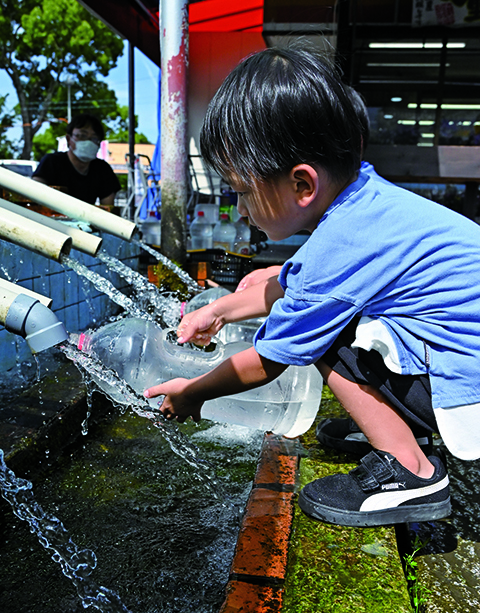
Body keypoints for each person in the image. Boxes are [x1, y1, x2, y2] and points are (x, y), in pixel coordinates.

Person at [144, 44, 480, 528]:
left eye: (242, 191)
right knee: (300, 299)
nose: (240, 209)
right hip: (458, 362)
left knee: (327, 337)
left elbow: (269, 360)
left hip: (465, 388)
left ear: (303, 185)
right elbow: (291, 282)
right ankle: (395, 425)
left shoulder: (341, 241)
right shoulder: (365, 202)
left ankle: (410, 470)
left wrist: (195, 392)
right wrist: (218, 312)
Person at [33, 113, 121, 207]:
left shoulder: (102, 170)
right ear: (68, 139)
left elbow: (109, 210)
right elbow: (33, 195)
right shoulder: (51, 162)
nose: (88, 142)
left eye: (94, 138)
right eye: (82, 136)